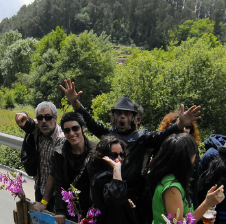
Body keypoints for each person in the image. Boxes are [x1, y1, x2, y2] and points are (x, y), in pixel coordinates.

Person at [60, 78, 201, 211]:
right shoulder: (108, 135)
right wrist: (75, 102)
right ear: (114, 117)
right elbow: (90, 122)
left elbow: (161, 136)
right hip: (109, 192)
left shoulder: (142, 137)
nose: (122, 116)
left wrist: (180, 124)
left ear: (133, 118)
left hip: (134, 195)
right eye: (119, 113)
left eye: (126, 114)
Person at [142, 133, 225, 224]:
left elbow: (182, 217)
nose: (196, 157)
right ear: (186, 158)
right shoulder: (172, 188)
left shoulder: (171, 179)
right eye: (194, 153)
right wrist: (207, 204)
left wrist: (201, 216)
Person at [87, 135, 140, 224]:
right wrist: (116, 169)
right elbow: (115, 198)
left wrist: (126, 202)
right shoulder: (102, 176)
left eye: (121, 154)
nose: (119, 159)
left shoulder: (110, 174)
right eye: (114, 155)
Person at [16, 102, 64, 212]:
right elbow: (27, 123)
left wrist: (44, 202)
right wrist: (21, 115)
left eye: (48, 117)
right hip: (39, 187)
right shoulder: (38, 129)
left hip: (55, 195)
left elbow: (55, 173)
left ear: (55, 118)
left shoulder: (60, 140)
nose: (43, 121)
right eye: (40, 118)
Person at [53, 112, 96, 224]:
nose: (72, 133)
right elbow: (58, 182)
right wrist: (60, 210)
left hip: (92, 209)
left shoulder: (96, 151)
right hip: (71, 209)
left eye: (75, 128)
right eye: (67, 130)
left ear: (83, 128)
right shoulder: (59, 153)